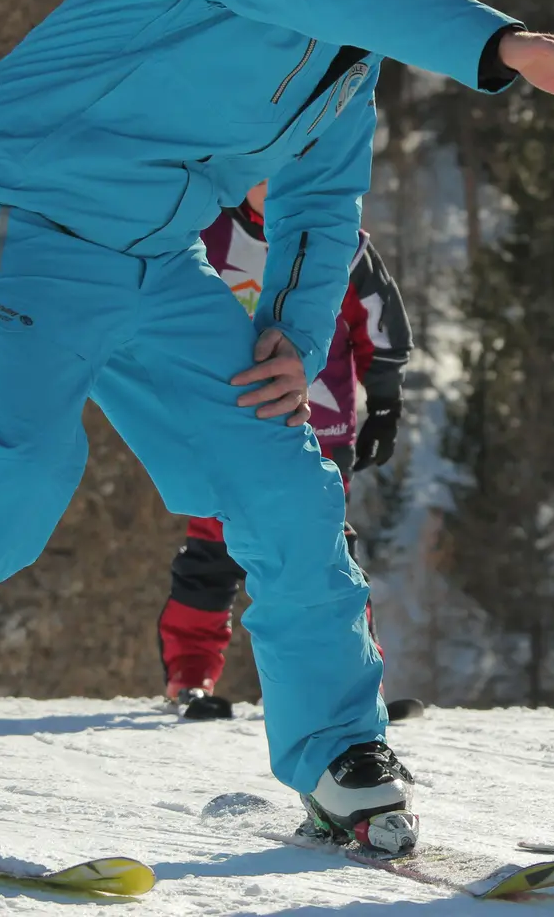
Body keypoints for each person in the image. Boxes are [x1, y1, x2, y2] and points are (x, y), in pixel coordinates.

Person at [0, 0, 554, 854]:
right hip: (15, 227)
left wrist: (288, 326)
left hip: (150, 261)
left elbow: (325, 195)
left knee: (283, 478)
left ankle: (341, 754)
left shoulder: (350, 29)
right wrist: (506, 48)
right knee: (11, 480)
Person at [158, 181, 411, 720]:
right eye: (262, 170)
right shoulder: (201, 231)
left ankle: (360, 686)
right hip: (224, 425)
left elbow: (380, 323)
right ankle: (190, 677)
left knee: (329, 556)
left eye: (290, 169)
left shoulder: (338, 241)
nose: (273, 184)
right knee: (214, 553)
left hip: (319, 428)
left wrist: (384, 403)